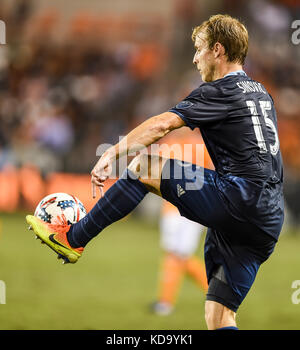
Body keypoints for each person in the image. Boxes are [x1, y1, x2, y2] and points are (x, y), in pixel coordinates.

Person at [26, 14, 284, 330]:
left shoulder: (219, 90)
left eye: (199, 48)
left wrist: (113, 150)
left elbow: (162, 124)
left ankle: (74, 238)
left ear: (217, 50)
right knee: (219, 315)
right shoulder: (260, 93)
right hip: (268, 217)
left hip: (240, 197)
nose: (194, 57)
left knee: (143, 166)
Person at [151, 128, 210, 315]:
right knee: (176, 255)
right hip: (181, 208)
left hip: (185, 209)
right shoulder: (202, 145)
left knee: (177, 255)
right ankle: (165, 302)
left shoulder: (171, 145)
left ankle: (165, 303)